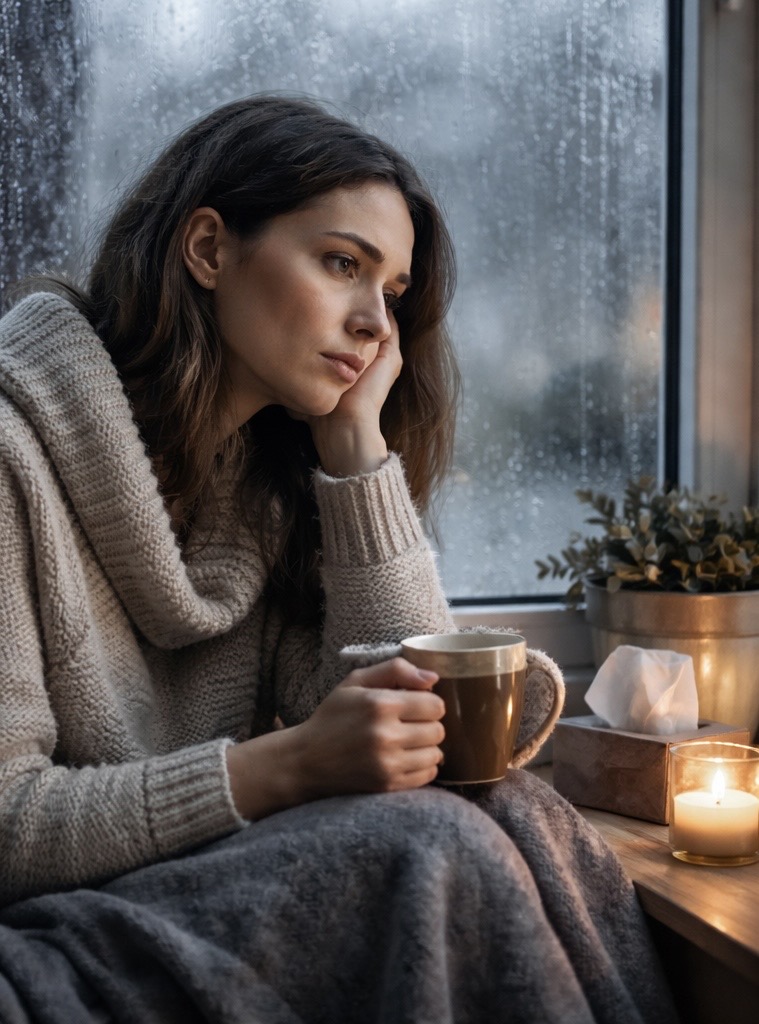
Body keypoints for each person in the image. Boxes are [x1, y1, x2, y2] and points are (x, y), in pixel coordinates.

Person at [0, 95, 677, 1023]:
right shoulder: (11, 453)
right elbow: (8, 825)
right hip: (46, 925)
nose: (375, 326)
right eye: (341, 264)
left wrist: (357, 449)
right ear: (207, 250)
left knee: (521, 810)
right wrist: (282, 767)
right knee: (434, 847)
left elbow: (420, 734)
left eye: (391, 293)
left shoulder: (263, 487)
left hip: (183, 884)